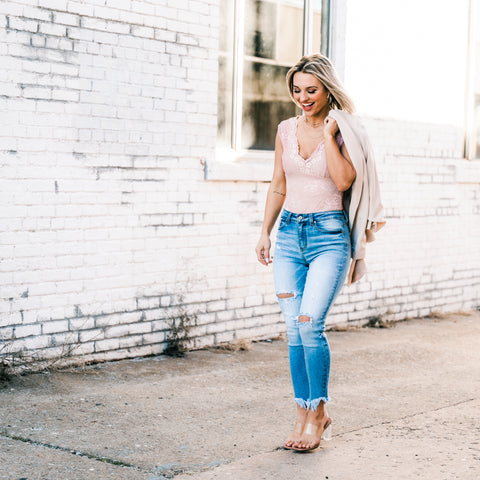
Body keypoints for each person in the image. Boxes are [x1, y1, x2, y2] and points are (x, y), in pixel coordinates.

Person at [255, 53, 383, 452]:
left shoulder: (343, 129)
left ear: (328, 89)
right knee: (294, 327)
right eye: (297, 91)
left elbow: (344, 181)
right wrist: (265, 233)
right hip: (290, 234)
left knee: (310, 324)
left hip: (329, 236)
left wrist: (329, 137)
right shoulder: (284, 130)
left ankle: (319, 413)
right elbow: (279, 184)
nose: (303, 97)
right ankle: (302, 412)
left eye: (311, 90)